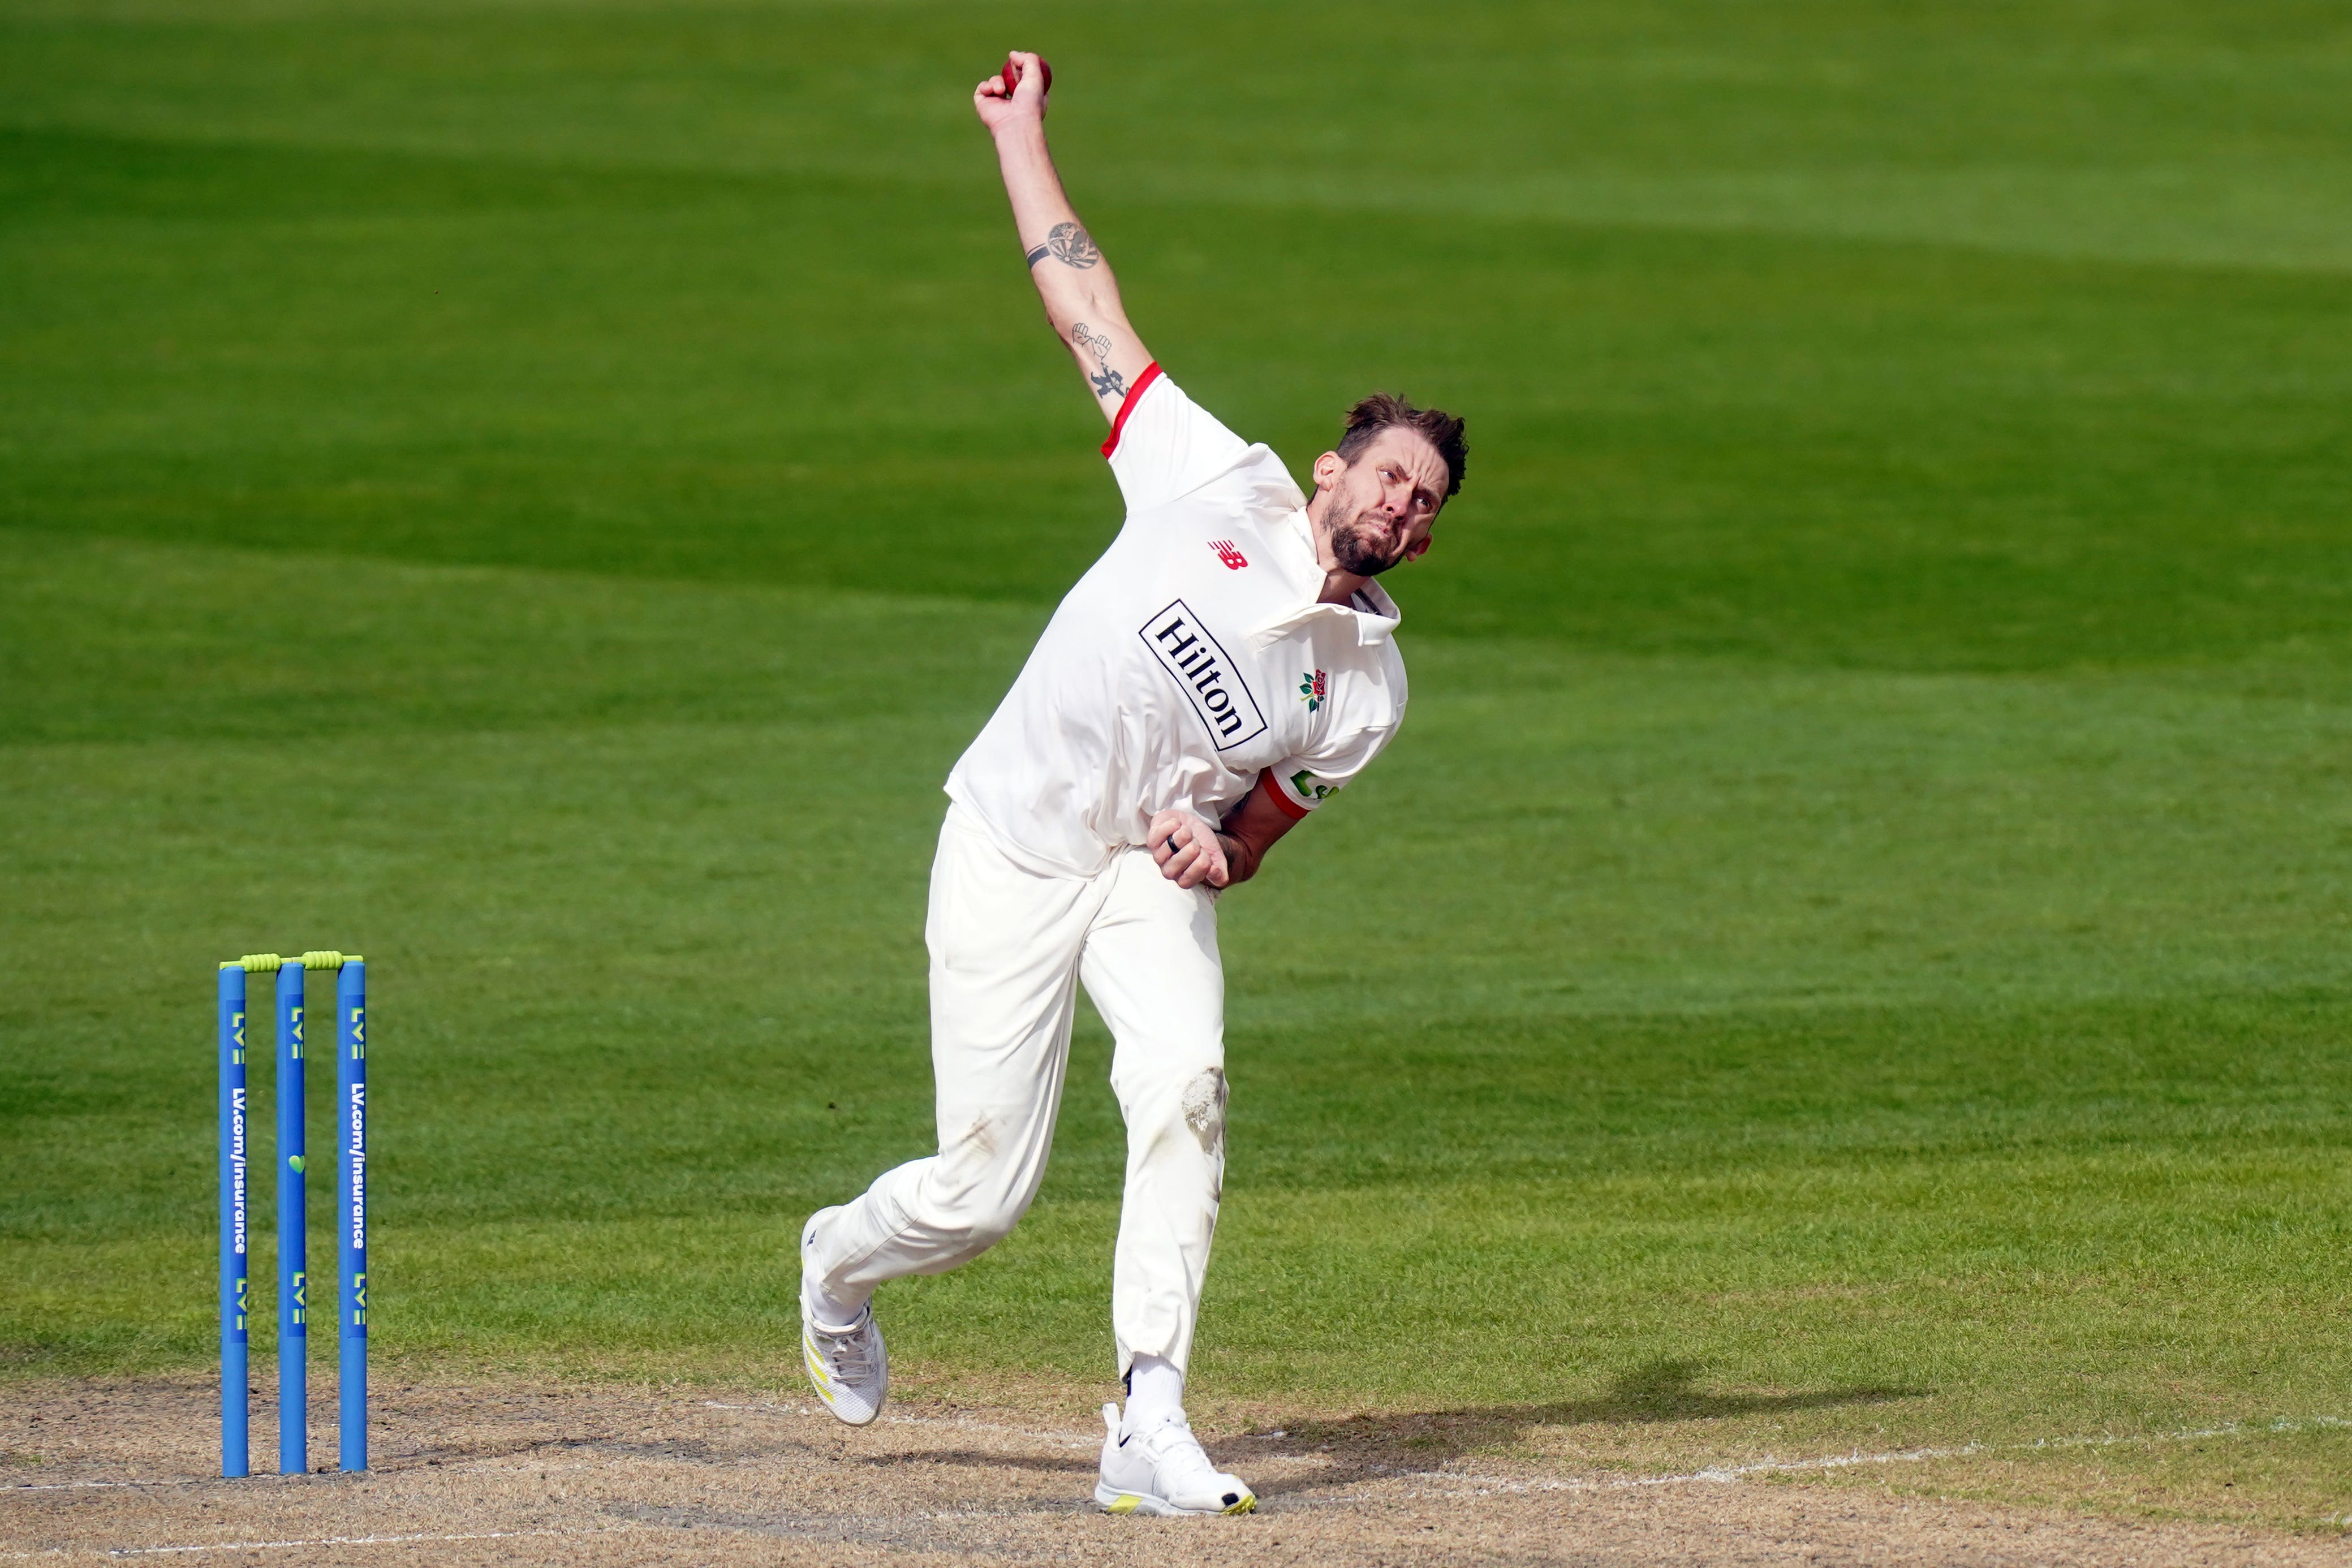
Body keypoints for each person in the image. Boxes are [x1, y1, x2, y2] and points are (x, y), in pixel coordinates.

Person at [798, 50, 1468, 1518]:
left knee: (1187, 1086)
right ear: (1330, 470)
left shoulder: (1366, 688)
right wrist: (1019, 132)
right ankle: (837, 1261)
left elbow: (1274, 814)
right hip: (1015, 844)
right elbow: (1085, 308)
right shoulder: (1207, 478)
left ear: (1422, 540)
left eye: (1423, 502)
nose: (1399, 504)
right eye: (1387, 476)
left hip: (1138, 877)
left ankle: (1148, 1411)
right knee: (982, 1194)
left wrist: (1221, 854)